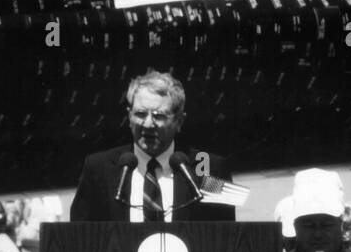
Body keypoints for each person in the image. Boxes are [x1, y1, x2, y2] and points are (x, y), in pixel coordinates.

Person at [70, 70, 236, 222]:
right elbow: (80, 238)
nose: (148, 124)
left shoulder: (210, 167)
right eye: (140, 114)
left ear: (179, 121)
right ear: (129, 116)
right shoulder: (98, 168)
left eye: (159, 116)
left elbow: (226, 239)